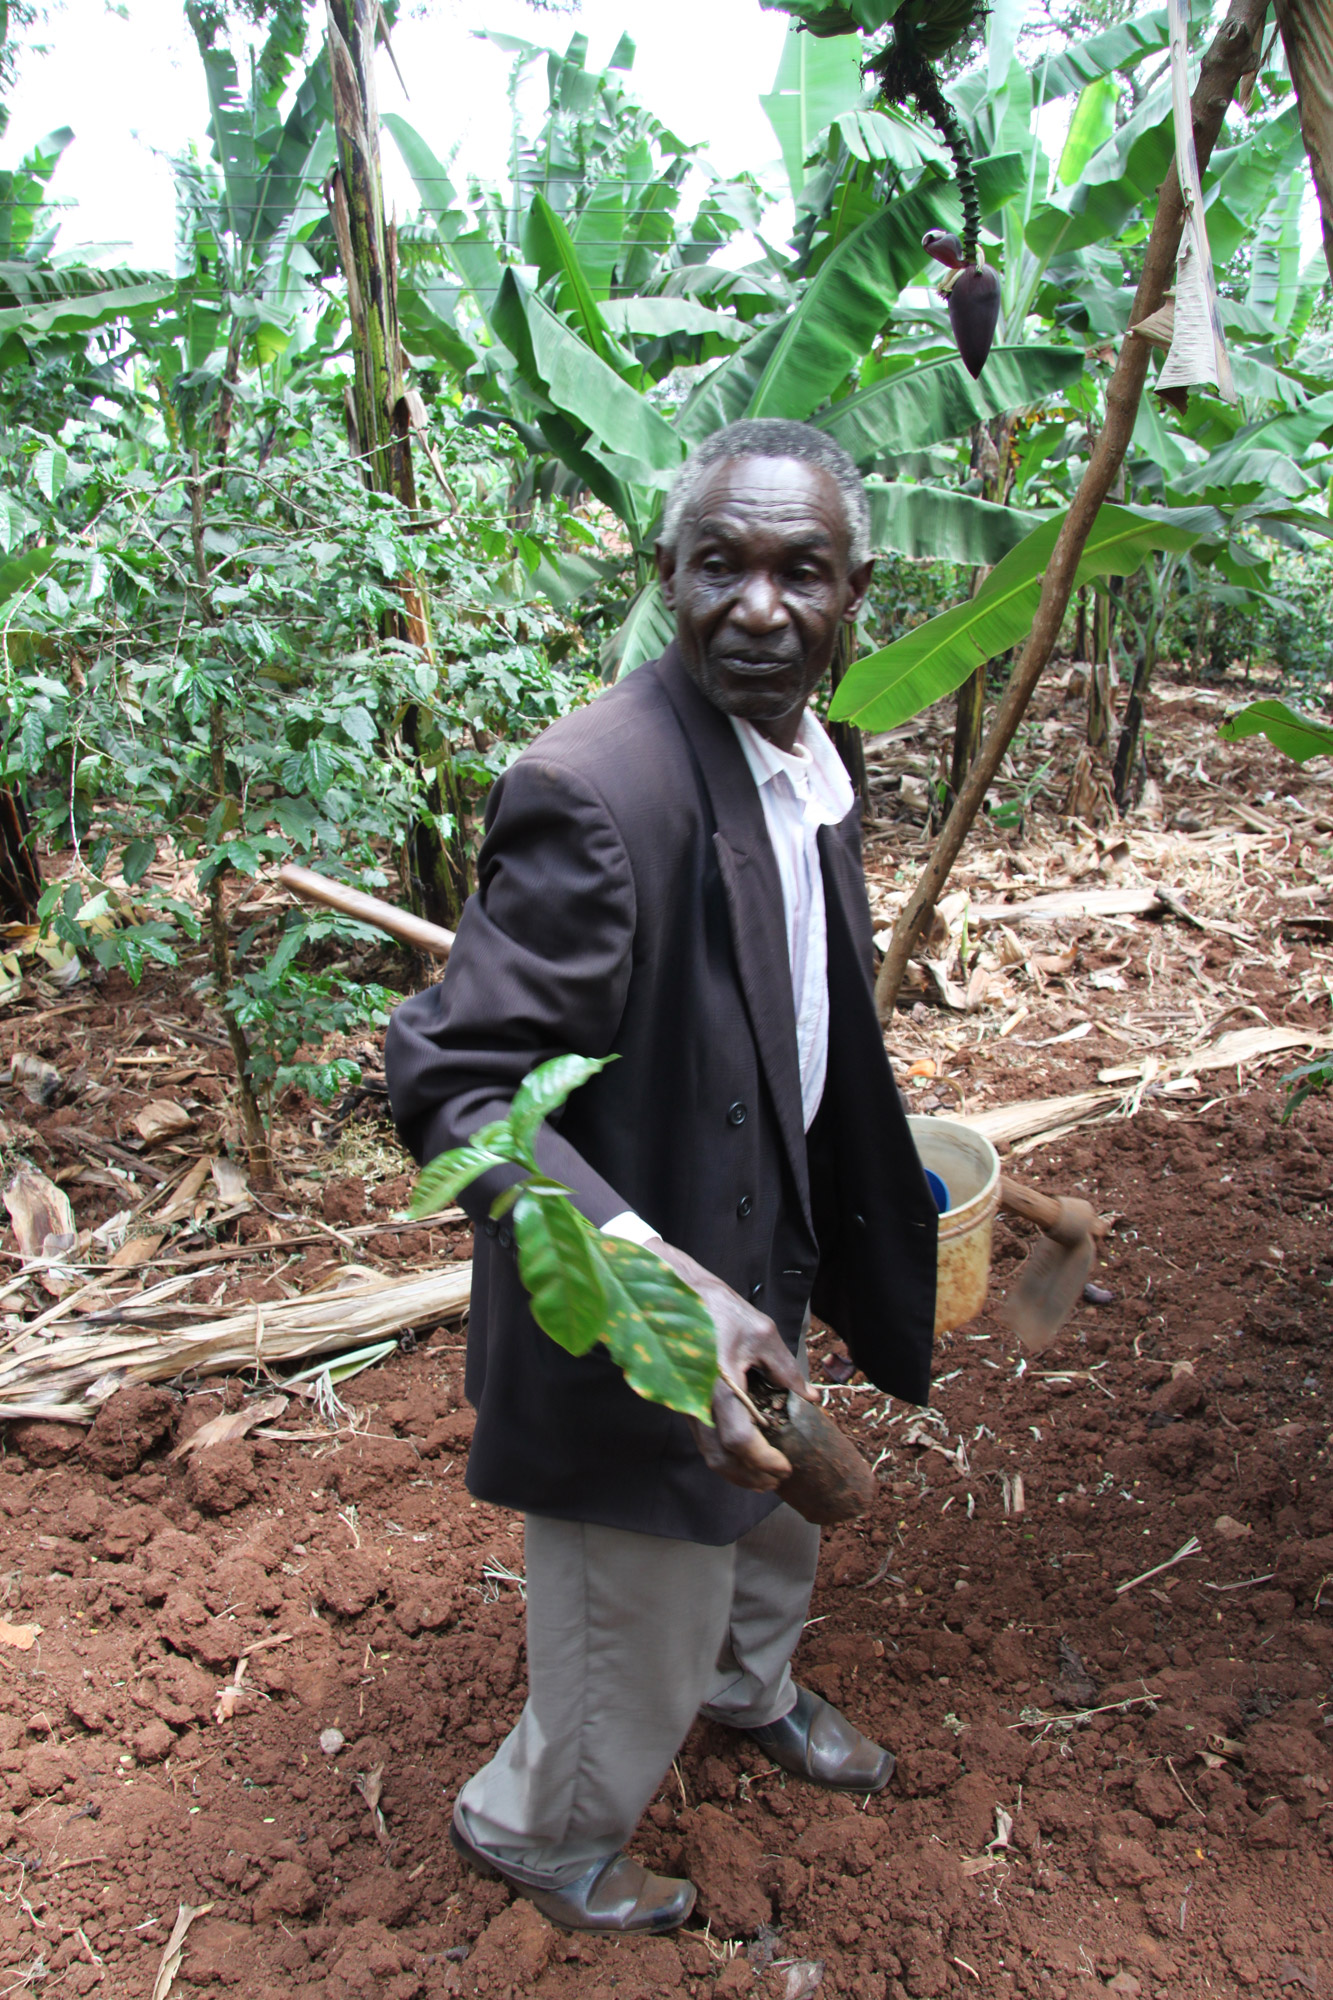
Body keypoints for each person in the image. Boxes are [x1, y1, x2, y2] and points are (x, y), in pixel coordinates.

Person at [385, 418, 938, 1937]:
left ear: (853, 593)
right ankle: (541, 1831)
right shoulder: (597, 795)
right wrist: (651, 1273)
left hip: (763, 1249)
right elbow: (450, 1079)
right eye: (721, 565)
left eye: (798, 571)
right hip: (637, 1293)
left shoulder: (809, 756)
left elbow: (792, 999)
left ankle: (750, 1693)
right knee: (637, 1587)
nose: (758, 607)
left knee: (764, 1522)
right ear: (667, 576)